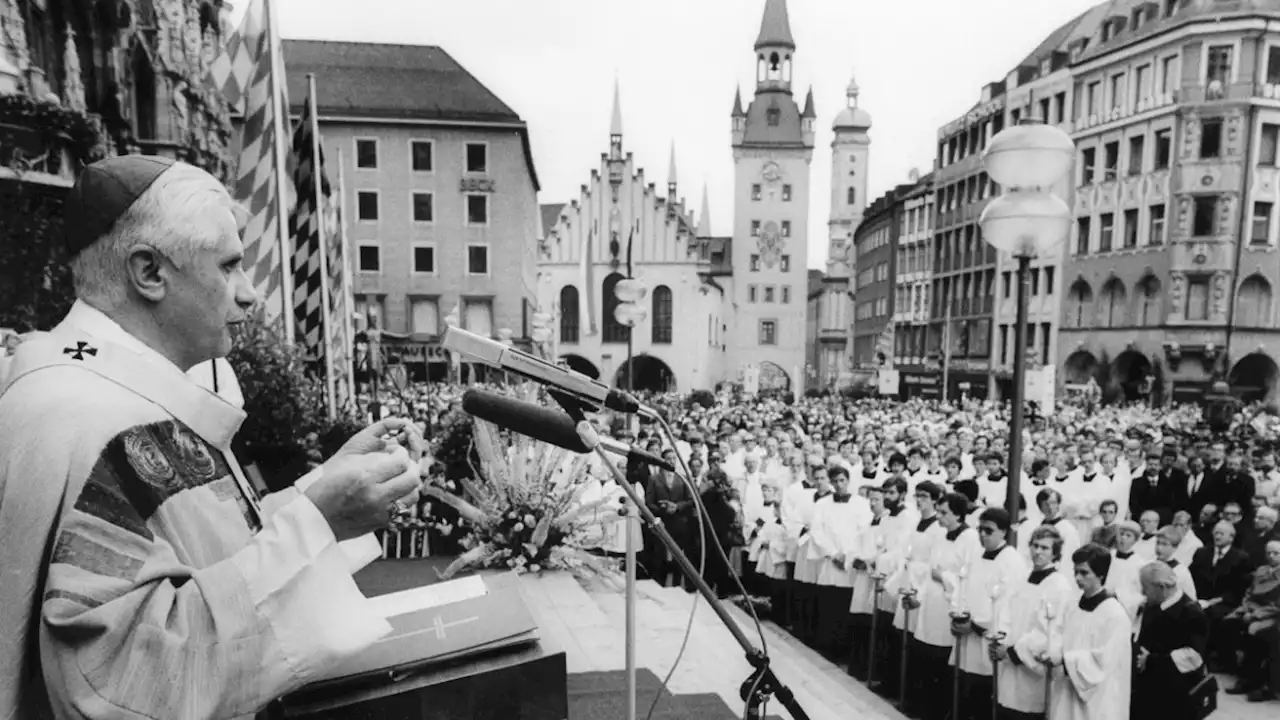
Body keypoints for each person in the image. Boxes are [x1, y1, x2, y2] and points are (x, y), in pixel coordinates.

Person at [0, 157, 425, 719]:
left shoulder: (127, 393)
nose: (248, 294)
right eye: (229, 266)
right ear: (149, 272)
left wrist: (327, 485)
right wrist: (317, 521)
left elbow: (209, 548)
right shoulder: (85, 418)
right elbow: (122, 671)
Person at [991, 525, 1074, 720]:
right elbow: (1006, 611)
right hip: (1007, 662)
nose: (1037, 551)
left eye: (1045, 548)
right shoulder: (1022, 577)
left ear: (1055, 553)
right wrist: (1001, 638)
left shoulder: (1058, 585)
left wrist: (1013, 651)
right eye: (1035, 546)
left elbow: (1050, 631)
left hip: (1031, 669)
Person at [1043, 543, 1132, 720]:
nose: (1077, 578)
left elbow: (1104, 660)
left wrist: (1065, 659)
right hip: (1067, 688)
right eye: (1075, 572)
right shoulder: (1073, 605)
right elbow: (1058, 633)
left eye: (1084, 573)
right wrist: (1053, 651)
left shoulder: (1114, 614)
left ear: (1100, 574)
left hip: (1097, 698)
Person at [1132, 561, 1211, 720]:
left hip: (1175, 695)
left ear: (1161, 587)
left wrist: (1152, 660)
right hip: (1148, 690)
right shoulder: (1153, 604)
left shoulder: (1191, 613)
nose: (1143, 593)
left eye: (1145, 588)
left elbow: (1193, 657)